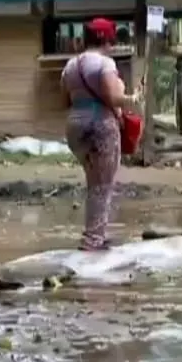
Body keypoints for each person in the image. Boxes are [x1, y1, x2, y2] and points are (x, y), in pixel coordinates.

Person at [61, 18, 142, 251]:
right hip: (100, 125)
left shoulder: (70, 66)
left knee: (94, 182)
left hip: (75, 126)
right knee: (102, 185)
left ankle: (94, 234)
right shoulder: (105, 64)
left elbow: (63, 99)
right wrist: (131, 98)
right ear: (107, 40)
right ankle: (93, 240)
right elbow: (112, 97)